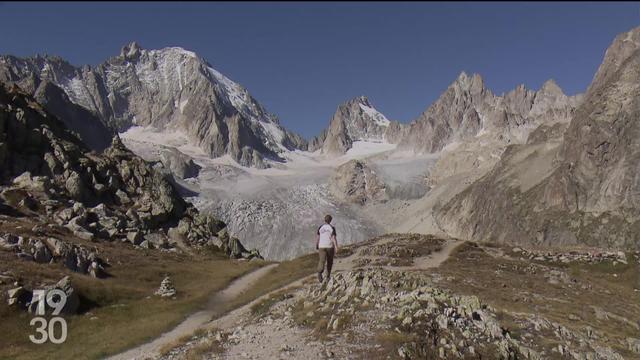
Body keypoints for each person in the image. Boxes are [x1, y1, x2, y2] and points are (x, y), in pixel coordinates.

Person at [316, 214, 338, 283]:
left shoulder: (320, 227)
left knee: (322, 260)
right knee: (329, 261)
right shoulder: (332, 227)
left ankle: (319, 273)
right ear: (330, 220)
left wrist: (317, 244)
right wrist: (336, 247)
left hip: (321, 246)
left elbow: (318, 237)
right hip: (329, 246)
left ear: (324, 220)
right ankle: (328, 276)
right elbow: (333, 238)